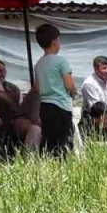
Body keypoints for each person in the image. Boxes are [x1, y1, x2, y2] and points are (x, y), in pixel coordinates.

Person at [32, 24, 75, 156]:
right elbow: (69, 84)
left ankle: (48, 162)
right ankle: (63, 164)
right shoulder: (61, 61)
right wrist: (73, 92)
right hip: (61, 106)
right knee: (64, 139)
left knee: (49, 138)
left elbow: (37, 87)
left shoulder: (39, 64)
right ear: (55, 41)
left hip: (44, 106)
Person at [0, 59, 40, 151]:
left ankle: (30, 159)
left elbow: (19, 110)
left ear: (6, 72)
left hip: (13, 121)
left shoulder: (14, 89)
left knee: (35, 128)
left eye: (1, 71)